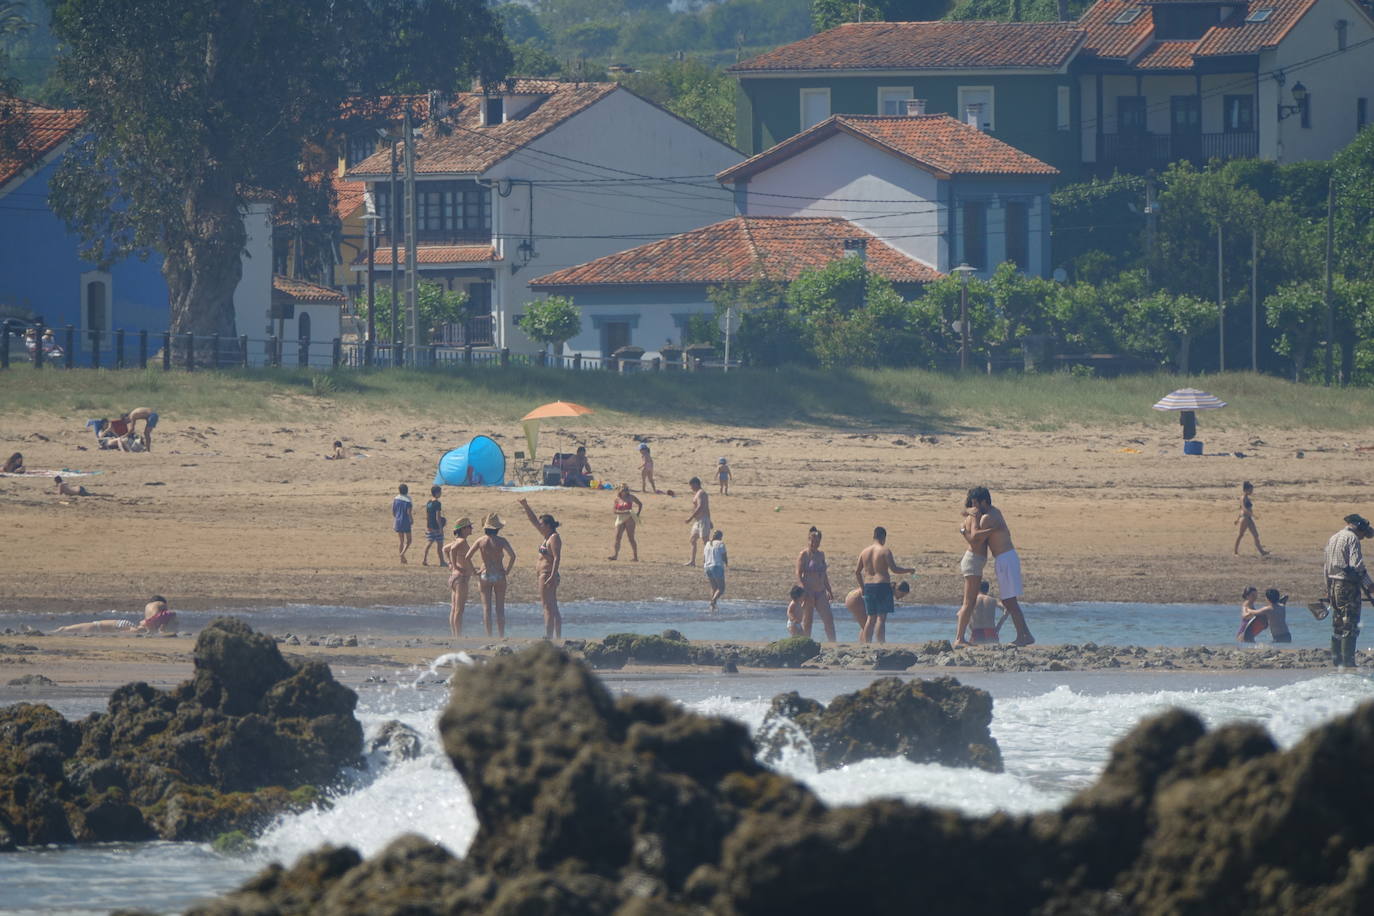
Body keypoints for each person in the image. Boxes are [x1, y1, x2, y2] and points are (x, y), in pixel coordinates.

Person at [960, 486, 1035, 647]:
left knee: (1010, 601)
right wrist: (968, 512)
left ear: (983, 502)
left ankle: (1025, 636)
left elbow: (975, 537)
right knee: (1008, 601)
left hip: (1005, 559)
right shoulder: (995, 511)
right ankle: (1025, 634)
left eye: (975, 503)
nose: (974, 507)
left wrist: (965, 524)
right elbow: (968, 515)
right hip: (1006, 558)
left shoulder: (987, 518)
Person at [1323, 513, 1374, 668]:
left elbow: (1326, 567)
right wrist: (1370, 586)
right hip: (1347, 586)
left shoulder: (1333, 538)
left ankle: (1337, 662)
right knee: (1350, 625)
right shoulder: (1352, 539)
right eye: (1363, 534)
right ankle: (1349, 664)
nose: (1362, 537)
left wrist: (1328, 589)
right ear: (1359, 528)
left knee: (1338, 625)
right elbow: (1357, 566)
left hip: (1333, 585)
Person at [855, 526, 915, 645]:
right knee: (881, 618)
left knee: (870, 618)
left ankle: (867, 644)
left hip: (868, 586)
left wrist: (862, 587)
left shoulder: (864, 552)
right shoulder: (885, 551)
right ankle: (881, 643)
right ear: (884, 537)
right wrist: (909, 570)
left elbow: (857, 572)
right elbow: (894, 569)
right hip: (882, 585)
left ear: (874, 536)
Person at [517, 498, 563, 639]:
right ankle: (556, 637)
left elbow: (556, 558)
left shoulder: (554, 538)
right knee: (552, 605)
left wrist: (552, 575)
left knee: (548, 607)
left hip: (548, 574)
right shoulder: (547, 535)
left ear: (548, 525)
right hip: (545, 574)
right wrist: (525, 506)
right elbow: (533, 521)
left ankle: (549, 637)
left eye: (542, 524)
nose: (540, 525)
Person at [467, 513, 517, 637]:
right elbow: (513, 556)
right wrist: (507, 570)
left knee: (486, 608)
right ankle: (501, 636)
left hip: (485, 574)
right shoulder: (501, 541)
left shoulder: (480, 540)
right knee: (500, 608)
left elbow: (467, 557)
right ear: (498, 528)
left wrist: (474, 571)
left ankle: (489, 636)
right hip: (499, 574)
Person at [954, 493, 990, 648]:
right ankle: (959, 638)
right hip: (973, 560)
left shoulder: (971, 515)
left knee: (970, 602)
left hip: (974, 560)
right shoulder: (974, 516)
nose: (975, 506)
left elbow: (969, 535)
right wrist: (992, 529)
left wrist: (963, 531)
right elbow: (975, 539)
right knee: (969, 603)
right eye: (973, 502)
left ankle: (961, 637)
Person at [54, 596, 177, 635]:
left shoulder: (149, 606)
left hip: (130, 625)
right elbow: (158, 619)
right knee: (96, 627)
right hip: (136, 627)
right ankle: (63, 630)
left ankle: (62, 630)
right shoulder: (161, 606)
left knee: (95, 626)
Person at [796, 526, 836, 642]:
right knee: (808, 621)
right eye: (812, 541)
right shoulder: (803, 555)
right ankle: (805, 643)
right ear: (808, 540)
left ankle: (833, 644)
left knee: (828, 618)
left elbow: (824, 574)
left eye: (817, 542)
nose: (814, 544)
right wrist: (803, 589)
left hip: (820, 592)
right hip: (808, 592)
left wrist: (829, 590)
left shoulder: (821, 555)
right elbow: (798, 573)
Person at [842, 580, 911, 638]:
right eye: (902, 594)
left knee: (866, 625)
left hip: (851, 596)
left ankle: (863, 644)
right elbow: (882, 617)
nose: (901, 597)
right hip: (856, 599)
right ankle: (874, 643)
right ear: (897, 589)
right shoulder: (887, 591)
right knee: (868, 625)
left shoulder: (886, 587)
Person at [443, 518, 475, 637]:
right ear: (463, 529)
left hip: (455, 577)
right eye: (469, 527)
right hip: (461, 578)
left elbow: (445, 549)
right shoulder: (461, 541)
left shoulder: (457, 540)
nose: (471, 529)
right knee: (459, 610)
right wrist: (455, 565)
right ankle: (458, 636)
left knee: (454, 608)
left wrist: (450, 564)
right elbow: (452, 551)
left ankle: (454, 635)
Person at [1234, 481, 1270, 557]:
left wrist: (1237, 519)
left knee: (1256, 535)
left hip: (1249, 519)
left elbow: (1241, 509)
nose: (1252, 491)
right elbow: (1243, 508)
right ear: (1246, 489)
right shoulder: (1243, 498)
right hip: (1245, 519)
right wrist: (1253, 515)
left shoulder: (1247, 497)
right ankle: (1235, 552)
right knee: (1241, 535)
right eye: (1250, 490)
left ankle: (1262, 552)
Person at [608, 484, 643, 561]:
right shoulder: (617, 499)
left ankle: (635, 557)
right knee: (617, 537)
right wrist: (623, 512)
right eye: (623, 490)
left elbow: (640, 504)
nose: (625, 491)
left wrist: (637, 514)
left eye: (626, 490)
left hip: (630, 518)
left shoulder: (631, 497)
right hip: (620, 518)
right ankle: (615, 555)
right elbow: (614, 511)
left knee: (631, 537)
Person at [684, 477, 711, 566]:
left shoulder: (701, 493)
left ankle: (707, 561)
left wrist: (690, 518)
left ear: (696, 484)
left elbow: (700, 506)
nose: (691, 488)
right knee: (692, 539)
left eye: (691, 486)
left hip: (703, 520)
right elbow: (706, 507)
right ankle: (692, 561)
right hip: (698, 521)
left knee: (705, 541)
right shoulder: (698, 493)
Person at [969, 580, 1001, 644]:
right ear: (987, 589)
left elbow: (962, 614)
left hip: (976, 631)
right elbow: (1007, 611)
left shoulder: (972, 600)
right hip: (991, 631)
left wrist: (970, 627)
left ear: (977, 588)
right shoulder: (993, 600)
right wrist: (998, 627)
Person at [423, 485, 447, 567]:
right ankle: (442, 562)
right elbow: (438, 517)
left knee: (429, 543)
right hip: (436, 527)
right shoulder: (437, 503)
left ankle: (424, 559)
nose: (441, 493)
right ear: (437, 493)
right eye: (440, 492)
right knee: (440, 545)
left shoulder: (429, 503)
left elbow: (427, 515)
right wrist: (441, 529)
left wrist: (428, 525)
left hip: (430, 526)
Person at [704, 529, 728, 610]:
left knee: (714, 587)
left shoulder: (707, 543)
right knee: (721, 588)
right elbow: (724, 556)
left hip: (707, 567)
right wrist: (726, 564)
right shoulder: (720, 543)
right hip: (716, 567)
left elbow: (704, 557)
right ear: (720, 537)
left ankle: (712, 606)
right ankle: (713, 601)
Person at [392, 484, 413, 564]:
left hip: (398, 521)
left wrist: (397, 517)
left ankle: (402, 559)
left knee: (401, 541)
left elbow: (393, 511)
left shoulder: (396, 499)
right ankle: (402, 554)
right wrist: (411, 519)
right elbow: (409, 512)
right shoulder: (408, 500)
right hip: (406, 521)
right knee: (409, 541)